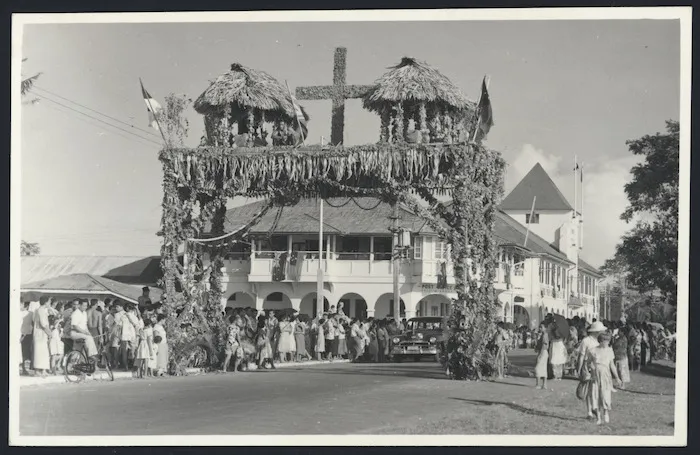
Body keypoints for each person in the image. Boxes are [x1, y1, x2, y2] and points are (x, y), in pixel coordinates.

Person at [584, 332, 622, 425]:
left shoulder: (609, 351)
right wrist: (590, 367)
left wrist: (617, 377)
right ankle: (598, 417)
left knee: (605, 395)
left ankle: (606, 413)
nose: (607, 343)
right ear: (600, 341)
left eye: (608, 341)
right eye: (605, 341)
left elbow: (612, 365)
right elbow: (587, 362)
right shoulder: (593, 350)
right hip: (595, 375)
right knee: (595, 395)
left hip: (605, 375)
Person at [577, 320, 606, 419]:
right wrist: (579, 368)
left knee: (597, 389)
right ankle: (590, 411)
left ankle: (594, 407)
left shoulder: (601, 341)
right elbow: (581, 356)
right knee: (589, 389)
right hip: (588, 366)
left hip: (598, 366)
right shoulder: (586, 341)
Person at [32, 296, 53, 377]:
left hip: (37, 333)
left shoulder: (37, 310)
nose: (49, 303)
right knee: (42, 352)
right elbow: (44, 324)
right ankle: (41, 371)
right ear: (45, 302)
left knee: (39, 352)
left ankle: (39, 370)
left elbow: (34, 320)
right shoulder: (41, 311)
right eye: (49, 302)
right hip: (41, 334)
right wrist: (49, 333)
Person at [20, 301, 34, 375]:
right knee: (27, 351)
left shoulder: (19, 313)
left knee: (21, 351)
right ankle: (25, 368)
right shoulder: (31, 313)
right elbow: (33, 323)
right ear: (28, 306)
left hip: (21, 333)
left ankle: (23, 367)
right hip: (28, 333)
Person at [534, 322, 549, 389]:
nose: (540, 328)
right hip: (543, 352)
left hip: (543, 352)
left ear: (545, 328)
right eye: (539, 327)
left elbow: (544, 344)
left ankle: (538, 384)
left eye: (541, 327)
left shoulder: (545, 335)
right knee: (543, 368)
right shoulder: (542, 335)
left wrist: (540, 353)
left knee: (538, 367)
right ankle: (544, 384)